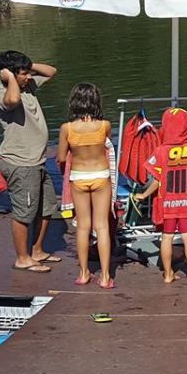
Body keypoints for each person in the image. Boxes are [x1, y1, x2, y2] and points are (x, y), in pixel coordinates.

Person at [0, 50, 60, 272]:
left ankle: (37, 250)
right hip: (21, 164)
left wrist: (27, 65)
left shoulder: (28, 86)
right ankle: (22, 258)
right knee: (24, 213)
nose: (29, 76)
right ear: (8, 75)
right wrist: (10, 78)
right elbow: (12, 100)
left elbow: (51, 72)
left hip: (37, 161)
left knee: (47, 207)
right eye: (23, 74)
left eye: (28, 73)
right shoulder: (0, 95)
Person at [133, 106, 187, 284]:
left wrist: (144, 195)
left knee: (166, 237)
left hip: (167, 203)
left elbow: (156, 180)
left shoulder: (161, 151)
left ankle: (168, 274)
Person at [58, 83, 115, 288]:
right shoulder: (104, 125)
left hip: (79, 176)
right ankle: (106, 276)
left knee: (83, 226)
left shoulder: (67, 128)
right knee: (102, 226)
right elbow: (106, 147)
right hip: (101, 175)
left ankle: (83, 273)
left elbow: (61, 157)